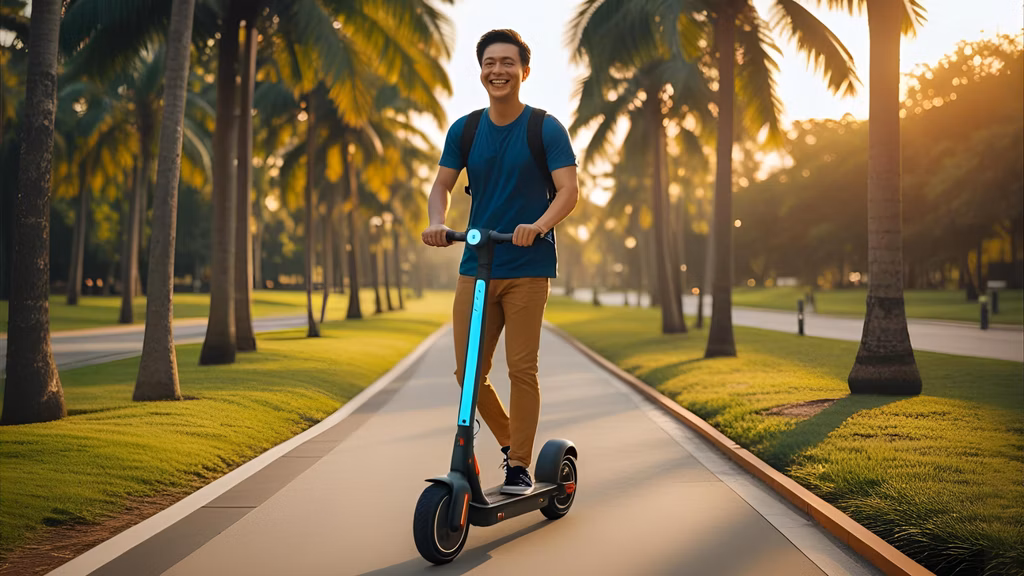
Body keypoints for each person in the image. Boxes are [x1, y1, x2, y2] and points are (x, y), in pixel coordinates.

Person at [421, 29, 580, 495]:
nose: (498, 70)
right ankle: (512, 442)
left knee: (521, 370)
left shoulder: (544, 128)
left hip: (527, 268)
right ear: (481, 70)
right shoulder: (466, 130)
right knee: (466, 372)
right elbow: (441, 187)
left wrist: (540, 225)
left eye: (508, 62)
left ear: (524, 72)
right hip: (476, 265)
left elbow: (569, 190)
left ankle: (520, 466)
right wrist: (437, 221)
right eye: (490, 62)